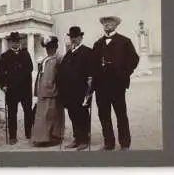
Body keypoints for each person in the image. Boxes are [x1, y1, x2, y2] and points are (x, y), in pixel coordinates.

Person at [92, 16, 139, 151]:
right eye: (104, 23)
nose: (107, 25)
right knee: (103, 115)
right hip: (101, 87)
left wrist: (124, 74)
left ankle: (124, 143)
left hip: (117, 86)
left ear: (116, 25)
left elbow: (134, 60)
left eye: (110, 23)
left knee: (121, 115)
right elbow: (92, 63)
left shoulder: (125, 42)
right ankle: (109, 142)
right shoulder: (98, 44)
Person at [57, 26, 96, 151]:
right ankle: (77, 138)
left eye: (76, 37)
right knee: (72, 114)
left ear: (81, 37)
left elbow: (91, 73)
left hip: (81, 91)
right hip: (69, 92)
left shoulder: (87, 52)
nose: (74, 39)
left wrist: (89, 91)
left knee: (82, 115)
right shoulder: (68, 53)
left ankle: (84, 139)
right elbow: (62, 70)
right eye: (72, 37)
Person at [0, 32, 34, 145]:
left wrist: (20, 73)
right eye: (13, 41)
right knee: (12, 113)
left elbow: (31, 68)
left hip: (25, 89)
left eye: (17, 41)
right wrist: (3, 85)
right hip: (11, 89)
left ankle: (29, 133)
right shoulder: (5, 56)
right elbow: (1, 72)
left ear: (20, 42)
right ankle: (13, 136)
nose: (16, 43)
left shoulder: (25, 53)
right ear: (10, 42)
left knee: (28, 111)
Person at [32, 36, 65, 147]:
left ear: (56, 47)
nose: (49, 49)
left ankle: (55, 136)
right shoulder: (46, 59)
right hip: (43, 91)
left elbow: (61, 76)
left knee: (52, 114)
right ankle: (42, 137)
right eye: (47, 47)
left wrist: (57, 88)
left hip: (53, 91)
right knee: (42, 115)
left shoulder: (59, 59)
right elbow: (40, 75)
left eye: (51, 47)